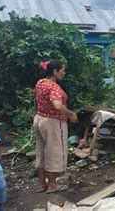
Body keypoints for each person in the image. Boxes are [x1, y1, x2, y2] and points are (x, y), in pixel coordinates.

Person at [34, 60, 77, 194]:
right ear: (54, 71)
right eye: (62, 70)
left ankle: (41, 184)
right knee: (53, 152)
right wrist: (71, 114)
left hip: (40, 119)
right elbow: (58, 106)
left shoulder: (40, 82)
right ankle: (52, 185)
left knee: (41, 151)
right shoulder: (54, 87)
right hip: (53, 123)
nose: (64, 73)